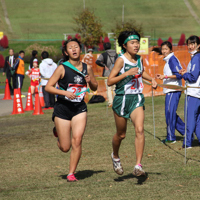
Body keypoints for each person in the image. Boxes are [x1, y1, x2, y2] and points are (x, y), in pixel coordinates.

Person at [45, 38, 98, 182]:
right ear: (66, 52)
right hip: (62, 109)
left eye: (76, 47)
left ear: (80, 49)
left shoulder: (88, 68)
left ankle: (71, 173)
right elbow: (48, 87)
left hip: (79, 108)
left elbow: (95, 87)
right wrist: (65, 93)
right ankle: (58, 134)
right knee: (65, 147)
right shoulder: (62, 67)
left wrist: (90, 81)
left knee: (77, 140)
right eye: (70, 48)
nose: (74, 49)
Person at [107, 30, 157, 176]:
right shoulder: (121, 60)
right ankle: (115, 156)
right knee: (121, 135)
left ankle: (138, 165)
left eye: (137, 42)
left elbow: (141, 72)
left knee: (140, 130)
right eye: (132, 43)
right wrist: (126, 74)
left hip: (136, 98)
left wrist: (151, 79)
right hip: (122, 99)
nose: (136, 45)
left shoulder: (139, 59)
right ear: (124, 45)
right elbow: (110, 81)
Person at [179, 36, 200, 148]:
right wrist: (186, 72)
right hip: (199, 92)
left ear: (198, 45)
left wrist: (184, 75)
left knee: (190, 117)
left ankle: (187, 143)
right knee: (198, 117)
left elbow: (193, 77)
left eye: (193, 44)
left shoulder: (197, 57)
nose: (191, 46)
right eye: (189, 44)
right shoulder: (198, 57)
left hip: (194, 93)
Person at [155, 41, 185, 144]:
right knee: (170, 113)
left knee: (169, 113)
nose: (164, 51)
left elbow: (179, 75)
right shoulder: (168, 60)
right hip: (170, 90)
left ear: (171, 50)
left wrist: (165, 77)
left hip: (173, 90)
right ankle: (187, 131)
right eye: (162, 49)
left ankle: (171, 137)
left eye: (166, 49)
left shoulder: (172, 59)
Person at [95, 42, 118, 107]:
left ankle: (110, 103)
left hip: (107, 74)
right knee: (115, 88)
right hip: (115, 74)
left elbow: (97, 61)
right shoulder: (116, 54)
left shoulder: (104, 54)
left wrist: (104, 65)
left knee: (108, 88)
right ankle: (116, 102)